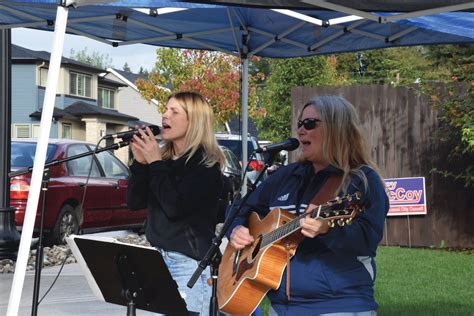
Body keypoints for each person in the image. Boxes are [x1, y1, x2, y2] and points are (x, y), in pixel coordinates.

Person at [228, 96, 389, 315]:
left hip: (338, 305)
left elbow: (367, 240)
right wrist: (236, 229)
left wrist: (328, 230)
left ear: (336, 129)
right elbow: (240, 209)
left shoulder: (361, 181)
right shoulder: (286, 176)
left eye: (310, 124)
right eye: (300, 124)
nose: (301, 131)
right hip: (281, 305)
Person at [126, 91, 225, 315]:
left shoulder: (206, 166)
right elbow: (134, 202)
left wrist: (154, 162)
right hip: (158, 260)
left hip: (188, 265)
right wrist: (141, 165)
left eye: (174, 111)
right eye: (165, 109)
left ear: (194, 121)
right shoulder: (164, 162)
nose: (165, 115)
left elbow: (175, 208)